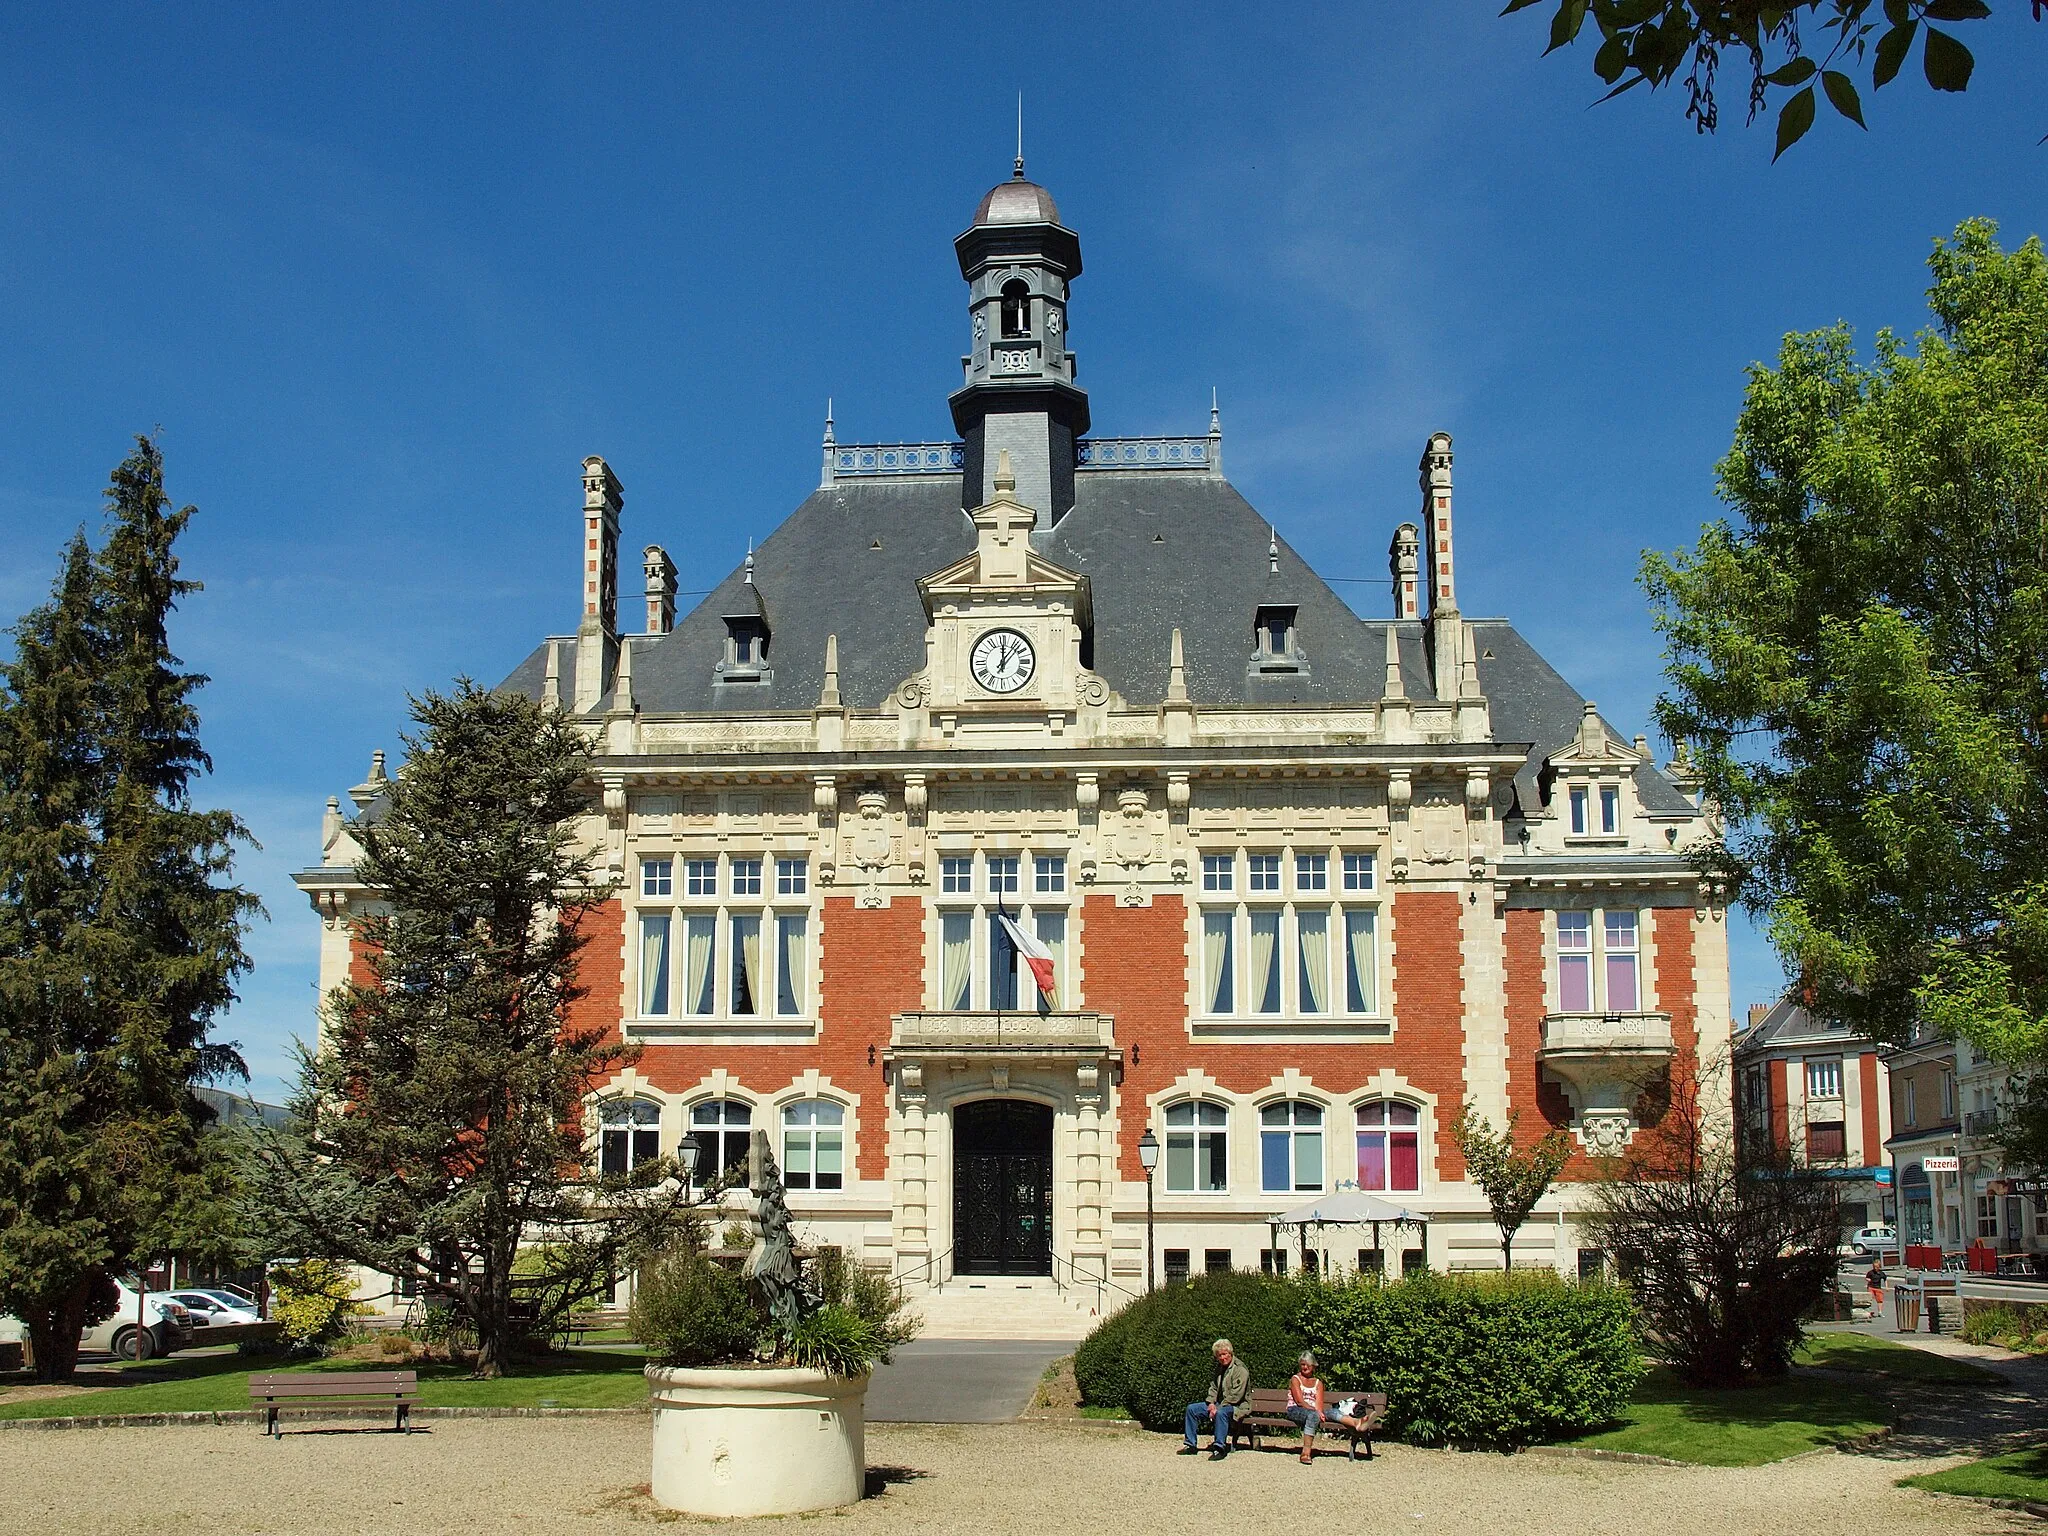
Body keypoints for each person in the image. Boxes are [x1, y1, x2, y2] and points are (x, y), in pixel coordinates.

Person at [1181, 1338, 1250, 1460]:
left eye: (1224, 1354)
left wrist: (1218, 1407)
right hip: (1219, 1404)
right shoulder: (1219, 1368)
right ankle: (1190, 1444)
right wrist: (1211, 1403)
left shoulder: (1240, 1369)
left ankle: (1219, 1447)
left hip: (1237, 1407)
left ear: (1230, 1353)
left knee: (1221, 1413)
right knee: (1192, 1409)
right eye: (1219, 1355)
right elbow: (1213, 1387)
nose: (1222, 1358)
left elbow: (1236, 1395)